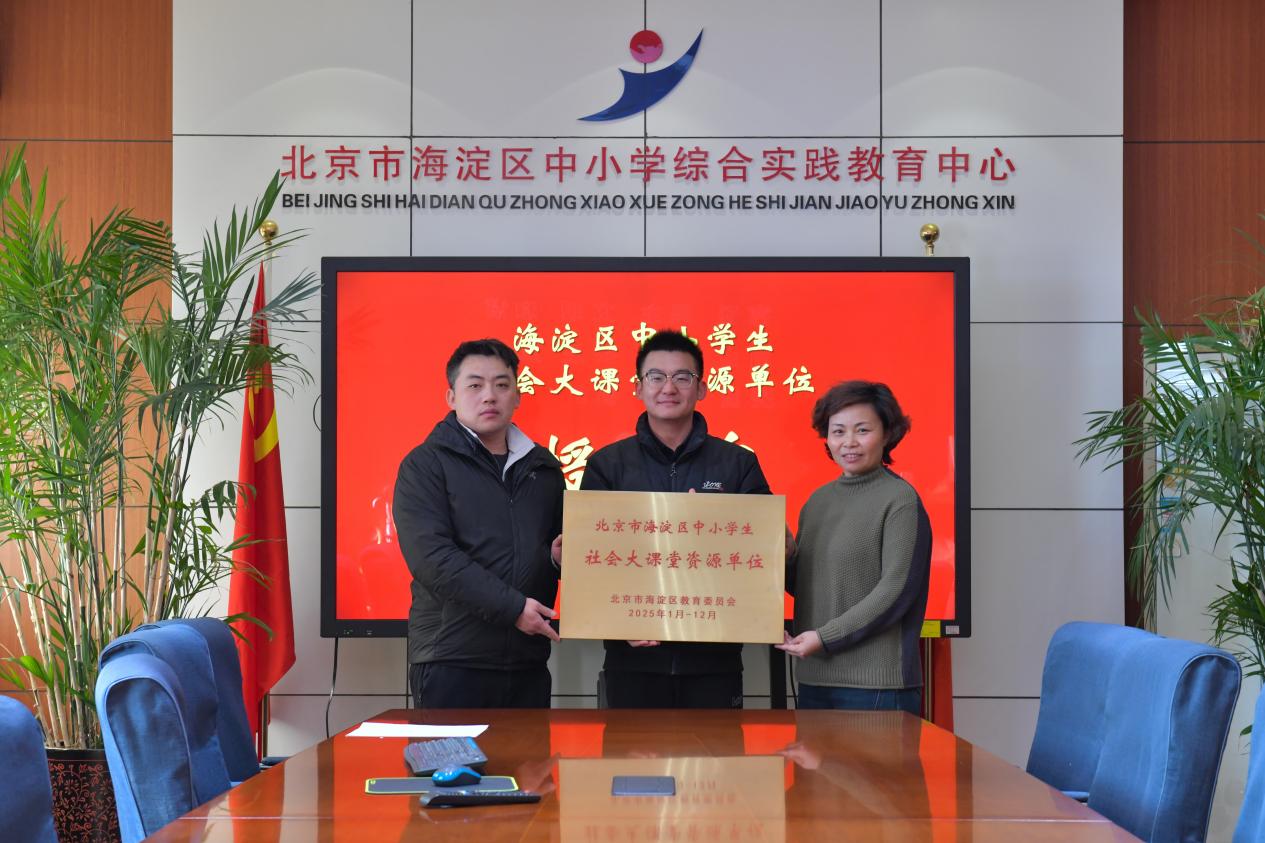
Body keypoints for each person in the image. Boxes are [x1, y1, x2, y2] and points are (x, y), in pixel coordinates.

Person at [580, 329, 771, 708]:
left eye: (682, 377)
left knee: (714, 750)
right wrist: (616, 622)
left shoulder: (738, 464)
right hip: (632, 659)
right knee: (631, 749)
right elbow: (590, 564)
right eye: (656, 377)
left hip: (714, 659)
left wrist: (770, 541)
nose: (669, 388)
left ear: (701, 388)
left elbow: (762, 555)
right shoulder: (607, 465)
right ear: (638, 387)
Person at [394, 338, 564, 709]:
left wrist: (555, 559)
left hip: (527, 662)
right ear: (451, 397)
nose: (489, 396)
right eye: (475, 385)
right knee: (454, 753)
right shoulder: (425, 465)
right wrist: (513, 609)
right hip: (452, 660)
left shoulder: (544, 469)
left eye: (502, 385)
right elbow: (432, 559)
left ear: (517, 396)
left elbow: (556, 550)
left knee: (529, 752)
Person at [777, 380, 932, 715]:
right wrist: (784, 558)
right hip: (816, 679)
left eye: (862, 430)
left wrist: (826, 637)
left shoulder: (900, 500)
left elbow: (895, 591)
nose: (849, 442)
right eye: (838, 431)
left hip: (877, 686)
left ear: (887, 433)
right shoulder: (817, 501)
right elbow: (808, 585)